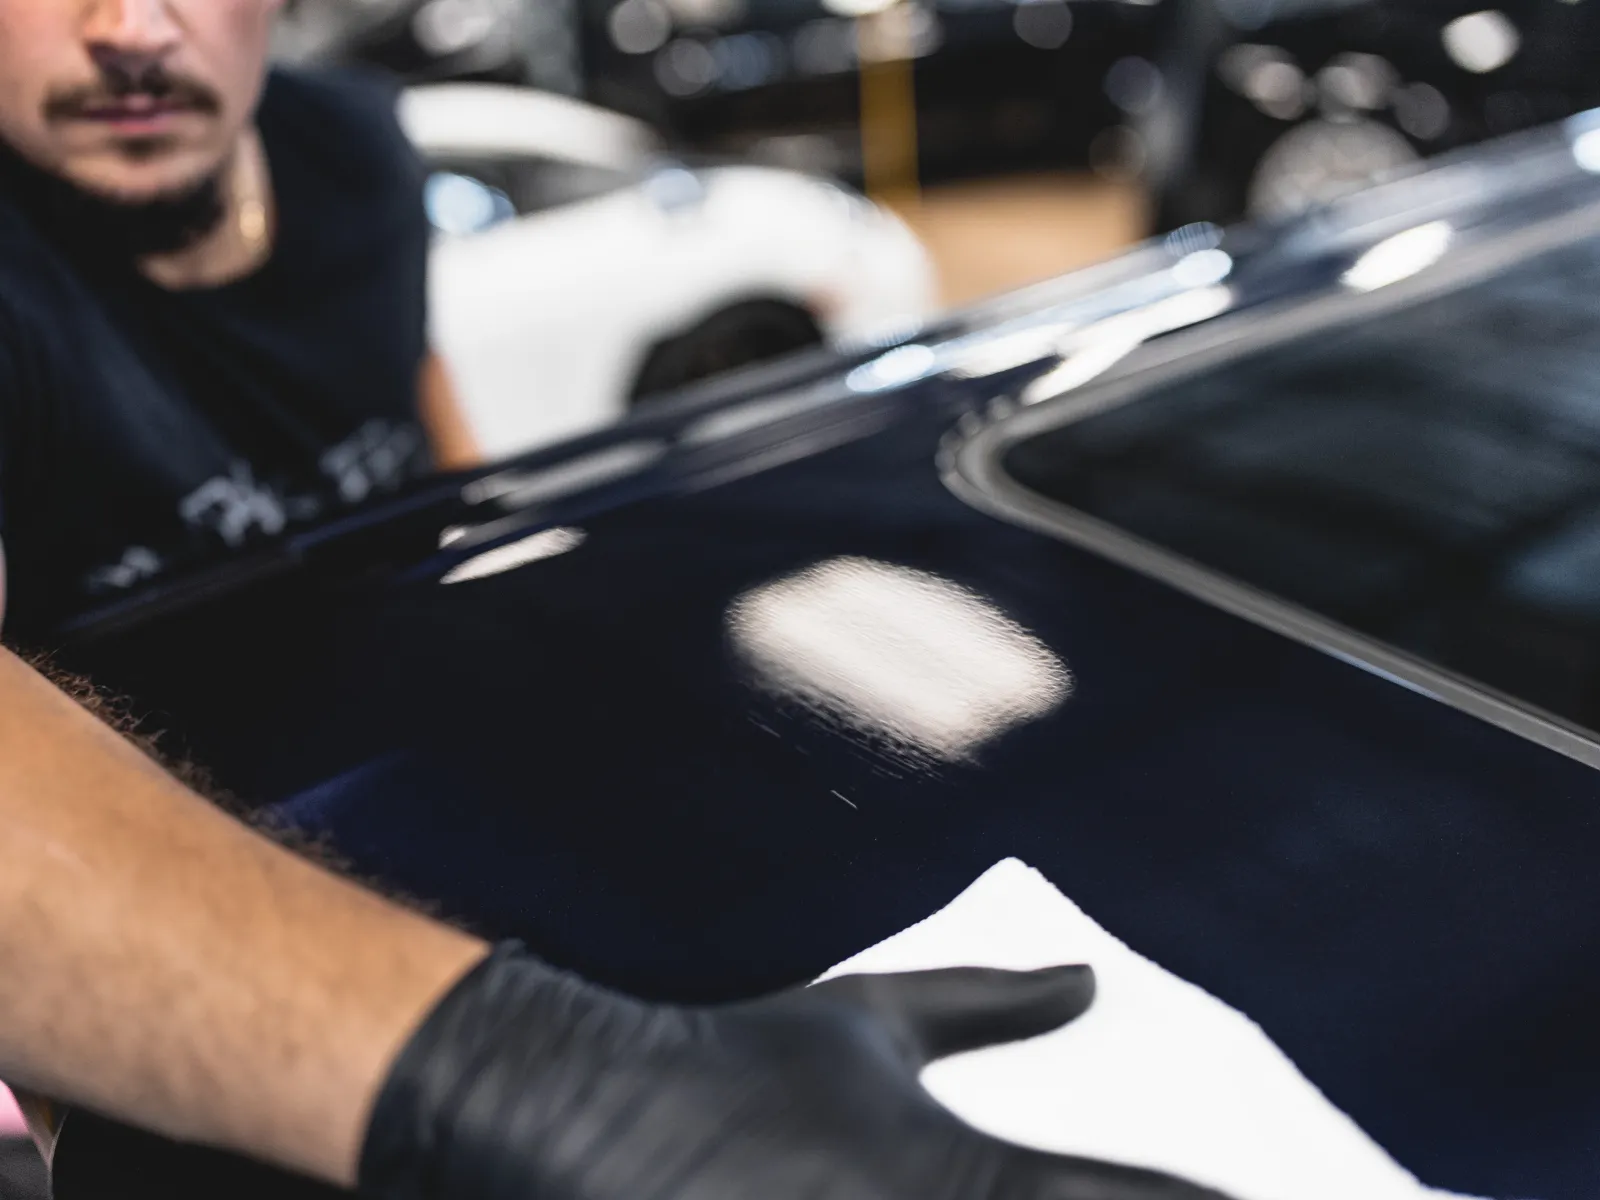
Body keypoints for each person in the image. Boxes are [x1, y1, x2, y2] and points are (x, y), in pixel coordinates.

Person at [0, 3, 1234, 1197]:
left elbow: (441, 500)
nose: (131, 27)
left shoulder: (354, 152)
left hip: (460, 850)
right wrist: (543, 1081)